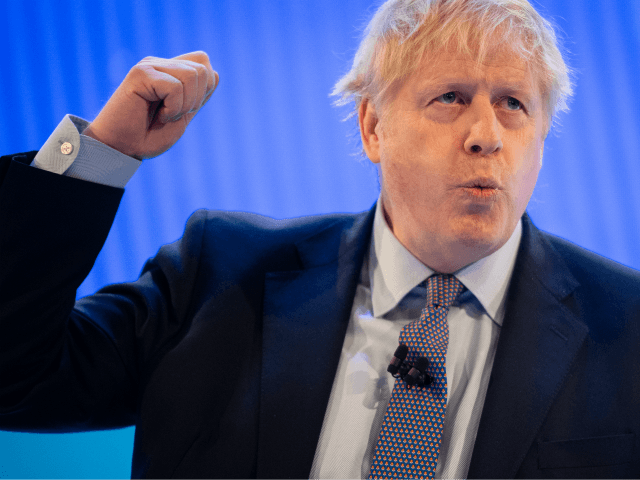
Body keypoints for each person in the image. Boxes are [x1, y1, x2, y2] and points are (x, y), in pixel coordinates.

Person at [1, 0, 639, 478]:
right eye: (450, 97)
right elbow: (15, 379)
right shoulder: (219, 275)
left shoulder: (630, 328)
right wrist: (100, 159)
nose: (486, 136)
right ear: (372, 128)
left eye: (514, 105)